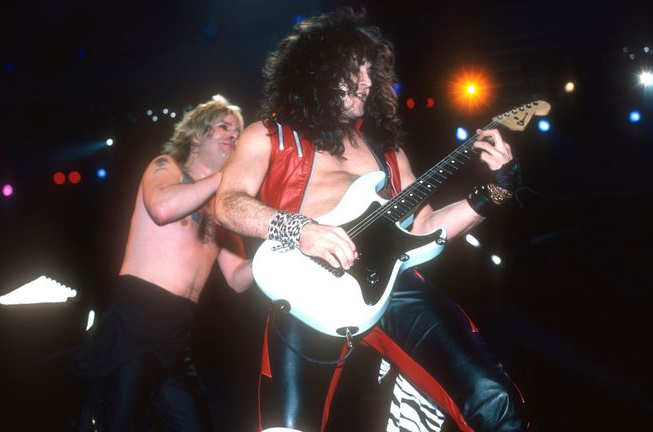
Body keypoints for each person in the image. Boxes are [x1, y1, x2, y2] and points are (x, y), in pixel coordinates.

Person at [214, 9, 527, 432]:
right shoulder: (271, 135)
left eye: (369, 72)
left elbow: (425, 228)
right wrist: (300, 229)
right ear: (318, 71)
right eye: (353, 71)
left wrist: (495, 191)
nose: (366, 82)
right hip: (307, 288)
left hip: (393, 289)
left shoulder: (387, 152)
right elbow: (228, 204)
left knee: (493, 399)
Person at [75, 95, 253, 431]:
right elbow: (161, 209)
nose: (234, 135)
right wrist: (227, 176)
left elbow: (238, 279)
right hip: (137, 317)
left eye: (239, 131)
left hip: (177, 333)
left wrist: (281, 252)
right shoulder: (166, 168)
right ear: (198, 135)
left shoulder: (221, 208)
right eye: (224, 126)